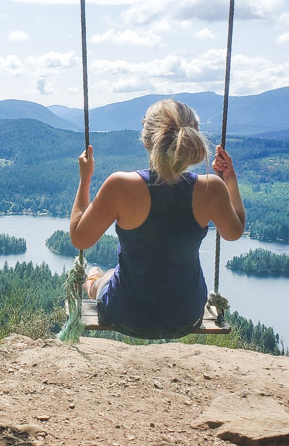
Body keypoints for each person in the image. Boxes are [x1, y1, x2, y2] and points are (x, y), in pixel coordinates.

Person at [69, 98, 245, 339]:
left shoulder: (120, 185)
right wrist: (230, 180)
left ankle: (93, 280)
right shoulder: (210, 188)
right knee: (111, 277)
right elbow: (234, 232)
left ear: (145, 141)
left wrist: (85, 178)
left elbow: (80, 237)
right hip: (186, 315)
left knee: (106, 278)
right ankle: (98, 278)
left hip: (126, 313)